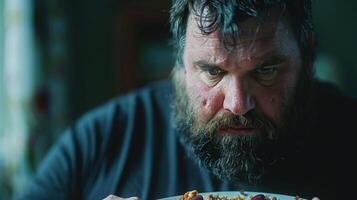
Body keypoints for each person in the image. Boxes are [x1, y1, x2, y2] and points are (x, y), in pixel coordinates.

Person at [19, 0, 357, 199]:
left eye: (265, 70)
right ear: (178, 64)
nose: (237, 104)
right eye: (212, 72)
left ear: (308, 58)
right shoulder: (100, 142)